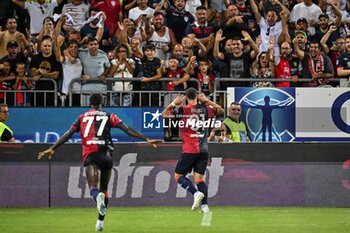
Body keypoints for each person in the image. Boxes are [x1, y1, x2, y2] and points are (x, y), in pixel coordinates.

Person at [37, 93, 161, 231]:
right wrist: (146, 138)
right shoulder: (110, 116)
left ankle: (97, 199)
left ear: (90, 104)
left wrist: (52, 148)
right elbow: (127, 129)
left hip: (91, 155)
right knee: (104, 189)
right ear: (102, 104)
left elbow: (68, 133)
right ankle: (100, 223)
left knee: (94, 189)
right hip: (106, 155)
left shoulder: (81, 117)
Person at [162, 87, 224, 213]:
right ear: (197, 96)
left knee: (178, 176)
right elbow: (221, 111)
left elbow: (164, 114)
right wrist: (207, 101)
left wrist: (174, 103)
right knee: (199, 179)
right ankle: (204, 206)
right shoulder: (205, 108)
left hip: (190, 149)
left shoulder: (182, 110)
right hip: (204, 149)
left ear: (185, 97)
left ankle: (195, 194)